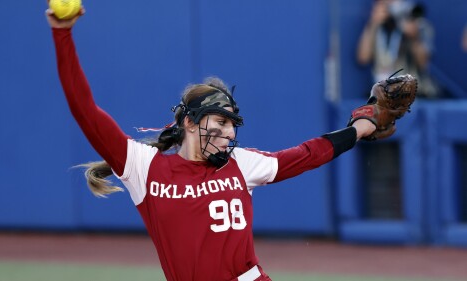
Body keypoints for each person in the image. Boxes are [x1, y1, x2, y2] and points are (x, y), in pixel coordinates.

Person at [46, 6, 377, 281]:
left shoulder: (240, 164)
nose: (230, 133)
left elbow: (307, 155)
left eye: (232, 125)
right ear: (190, 123)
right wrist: (62, 33)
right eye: (220, 123)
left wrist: (359, 128)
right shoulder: (144, 167)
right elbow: (84, 109)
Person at [356, 0, 438, 98]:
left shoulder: (420, 24)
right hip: (383, 95)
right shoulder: (378, 25)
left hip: (410, 96)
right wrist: (373, 23)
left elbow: (423, 63)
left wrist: (414, 38)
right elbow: (363, 58)